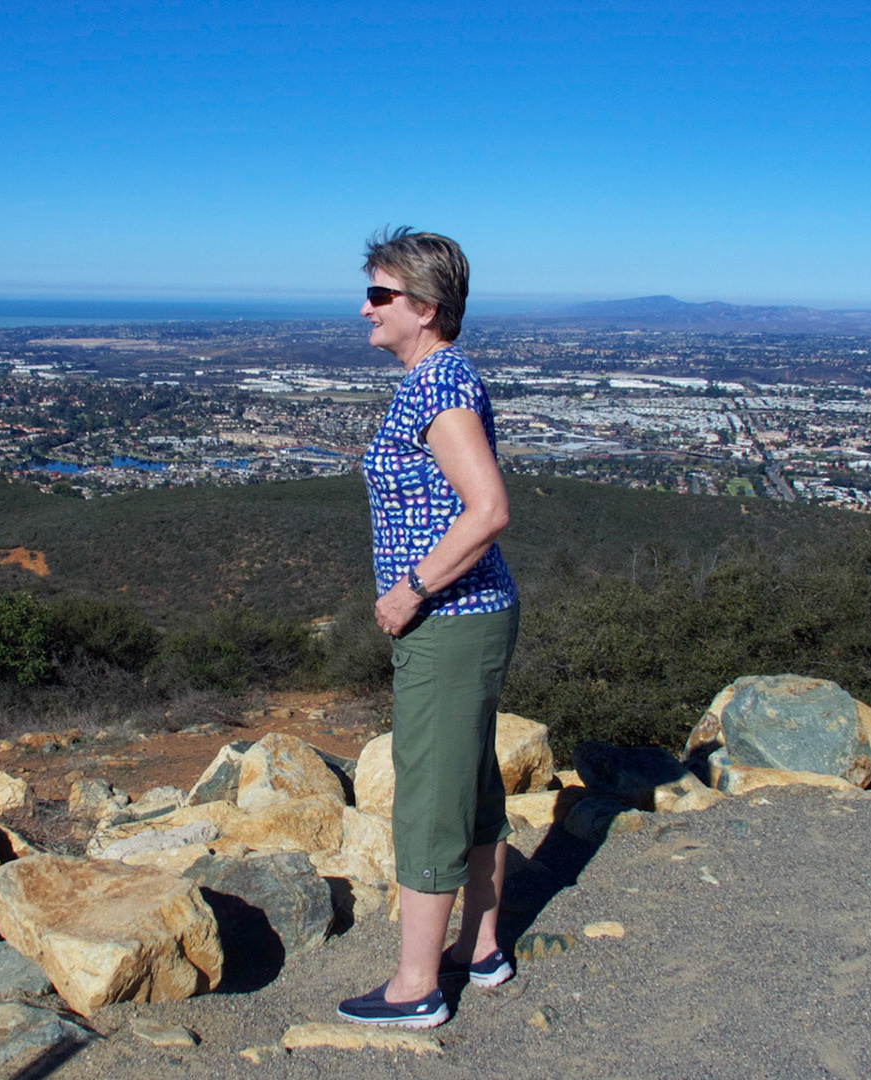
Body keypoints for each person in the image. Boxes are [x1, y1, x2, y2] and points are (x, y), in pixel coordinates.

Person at [337, 227, 519, 1029]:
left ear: (426, 307)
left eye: (380, 294)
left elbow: (489, 508)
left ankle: (415, 986)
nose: (365, 308)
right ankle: (481, 948)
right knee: (470, 786)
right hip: (474, 615)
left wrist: (410, 590)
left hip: (449, 620)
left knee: (430, 797)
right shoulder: (438, 378)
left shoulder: (438, 385)